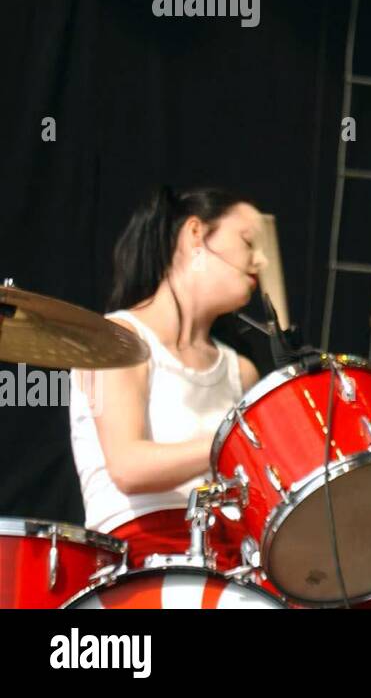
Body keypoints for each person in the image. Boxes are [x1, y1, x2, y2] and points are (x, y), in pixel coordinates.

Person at [69, 186, 265, 570]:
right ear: (196, 233)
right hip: (135, 560)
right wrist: (232, 440)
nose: (259, 261)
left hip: (229, 564)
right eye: (247, 242)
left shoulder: (241, 371)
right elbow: (128, 467)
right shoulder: (120, 339)